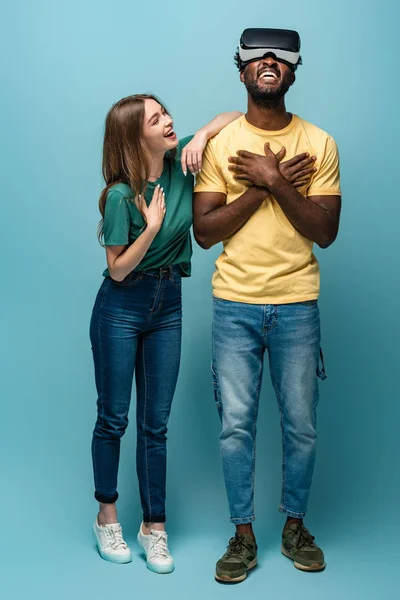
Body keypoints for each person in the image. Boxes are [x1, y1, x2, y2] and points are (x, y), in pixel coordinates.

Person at [193, 28, 341, 582]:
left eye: (281, 56)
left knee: (301, 425)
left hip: (298, 304)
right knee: (237, 425)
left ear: (294, 71)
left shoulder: (320, 143)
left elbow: (325, 231)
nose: (270, 62)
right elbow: (204, 233)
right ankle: (243, 535)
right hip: (235, 305)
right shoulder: (222, 142)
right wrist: (267, 185)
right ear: (242, 70)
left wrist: (274, 179)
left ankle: (295, 527)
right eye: (258, 56)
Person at [90, 94, 243, 573]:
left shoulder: (180, 162)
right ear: (137, 138)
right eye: (156, 119)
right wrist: (151, 228)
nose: (169, 121)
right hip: (121, 306)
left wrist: (201, 135)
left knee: (156, 426)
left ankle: (154, 527)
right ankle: (107, 517)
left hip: (168, 305)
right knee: (114, 419)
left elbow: (233, 116)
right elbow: (116, 270)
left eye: (166, 113)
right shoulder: (120, 195)